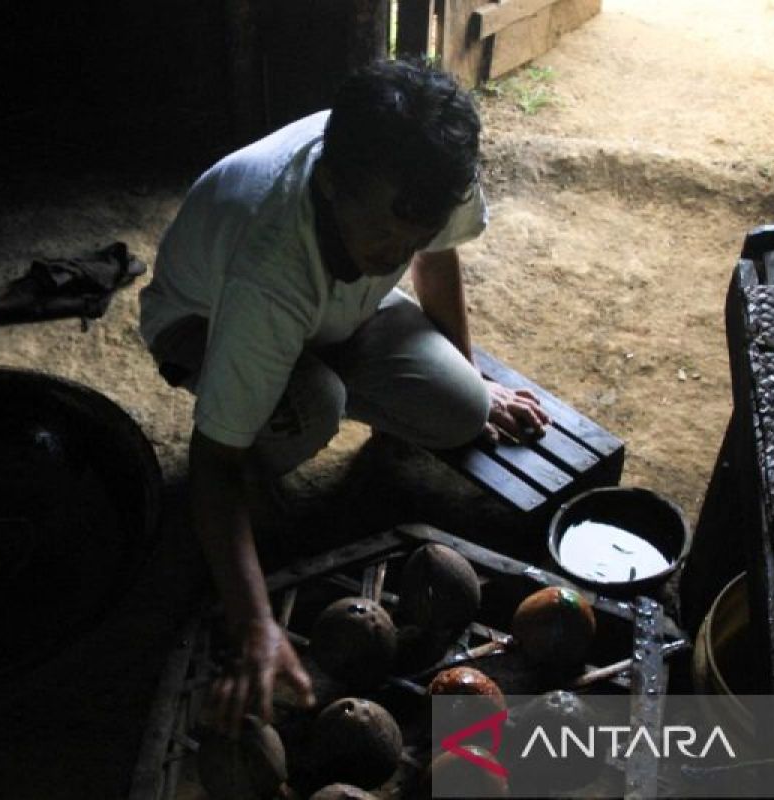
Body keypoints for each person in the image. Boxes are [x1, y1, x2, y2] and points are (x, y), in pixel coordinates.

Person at [139, 59, 549, 733]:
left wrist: (471, 377)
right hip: (205, 321)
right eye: (385, 236)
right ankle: (260, 440)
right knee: (311, 407)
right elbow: (210, 463)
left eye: (409, 238)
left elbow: (435, 254)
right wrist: (255, 626)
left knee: (459, 413)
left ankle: (299, 377)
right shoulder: (271, 269)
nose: (396, 255)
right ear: (330, 186)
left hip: (335, 314)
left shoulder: (428, 175)